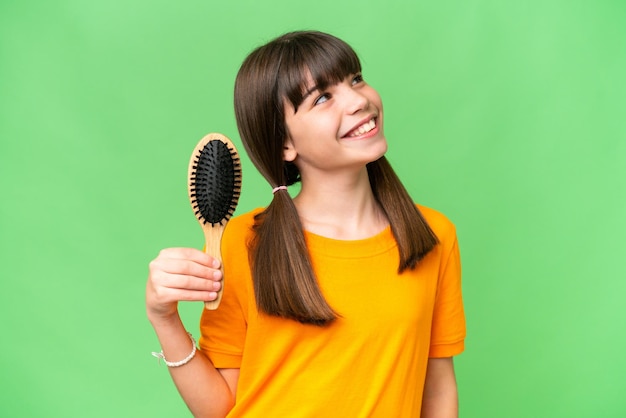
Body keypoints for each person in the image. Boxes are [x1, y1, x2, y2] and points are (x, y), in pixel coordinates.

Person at [146, 30, 466, 417]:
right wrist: (164, 319)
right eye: (323, 98)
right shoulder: (243, 243)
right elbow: (218, 407)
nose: (359, 100)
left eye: (355, 79)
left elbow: (437, 390)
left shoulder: (432, 236)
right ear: (285, 145)